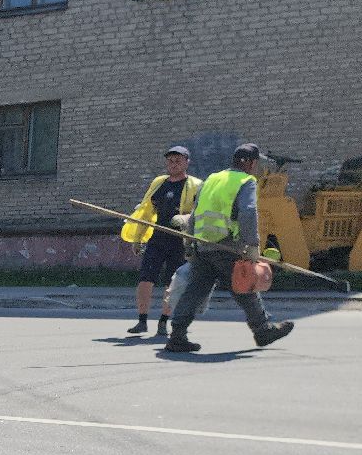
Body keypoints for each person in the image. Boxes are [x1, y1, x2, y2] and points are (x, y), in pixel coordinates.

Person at [165, 143, 293, 354]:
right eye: (256, 163)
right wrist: (252, 245)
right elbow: (248, 212)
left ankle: (177, 335)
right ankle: (262, 330)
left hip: (203, 246)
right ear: (251, 163)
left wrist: (191, 244)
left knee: (195, 290)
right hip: (226, 246)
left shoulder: (212, 179)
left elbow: (196, 212)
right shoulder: (245, 181)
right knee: (244, 286)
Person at [124, 146, 201, 337]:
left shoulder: (195, 185)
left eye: (178, 161)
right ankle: (142, 321)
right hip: (158, 237)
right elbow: (146, 211)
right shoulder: (159, 183)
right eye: (170, 161)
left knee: (172, 283)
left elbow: (200, 213)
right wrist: (138, 239)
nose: (174, 164)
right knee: (145, 278)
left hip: (179, 240)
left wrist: (185, 221)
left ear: (186, 162)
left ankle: (163, 322)